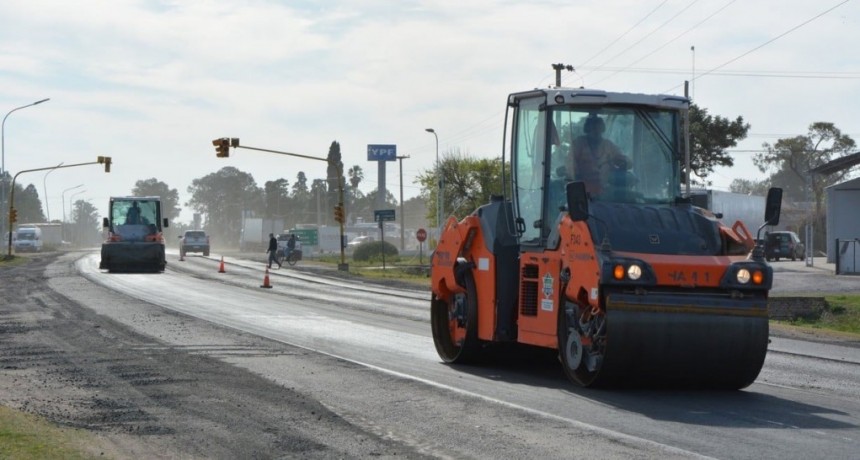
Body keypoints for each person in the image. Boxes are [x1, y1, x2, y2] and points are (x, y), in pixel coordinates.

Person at [565, 115, 630, 196]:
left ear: (602, 130)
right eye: (593, 129)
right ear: (587, 130)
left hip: (605, 193)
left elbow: (624, 160)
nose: (596, 132)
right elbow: (570, 166)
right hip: (582, 192)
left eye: (599, 129)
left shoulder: (608, 145)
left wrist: (624, 163)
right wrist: (577, 180)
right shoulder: (578, 144)